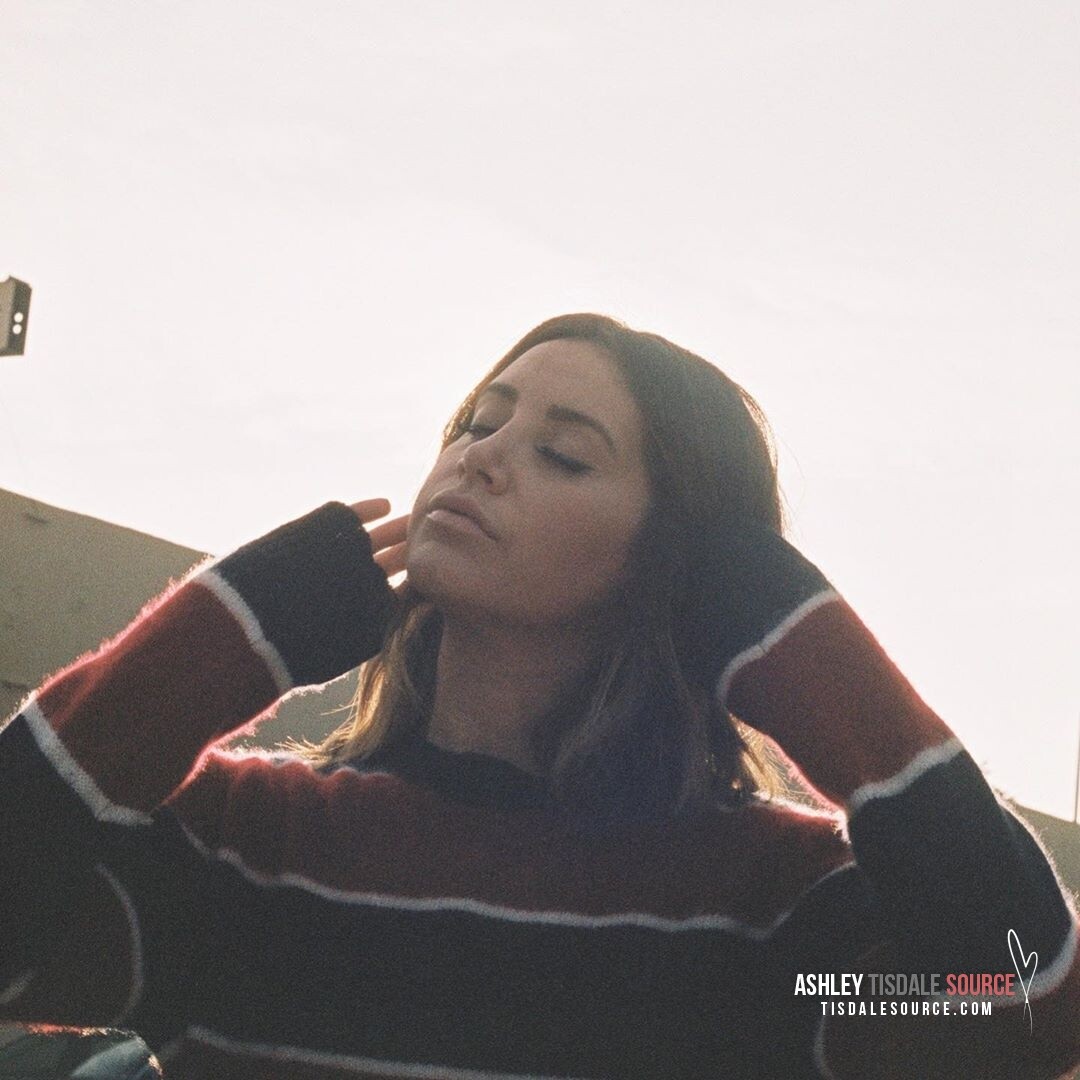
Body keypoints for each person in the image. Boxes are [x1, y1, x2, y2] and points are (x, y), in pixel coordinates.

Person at [1, 312, 1077, 1079]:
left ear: (690, 564)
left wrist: (805, 646)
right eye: (477, 423)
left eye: (563, 454)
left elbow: (1028, 1006)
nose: (482, 459)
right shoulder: (246, 845)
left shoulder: (770, 910)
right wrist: (216, 638)